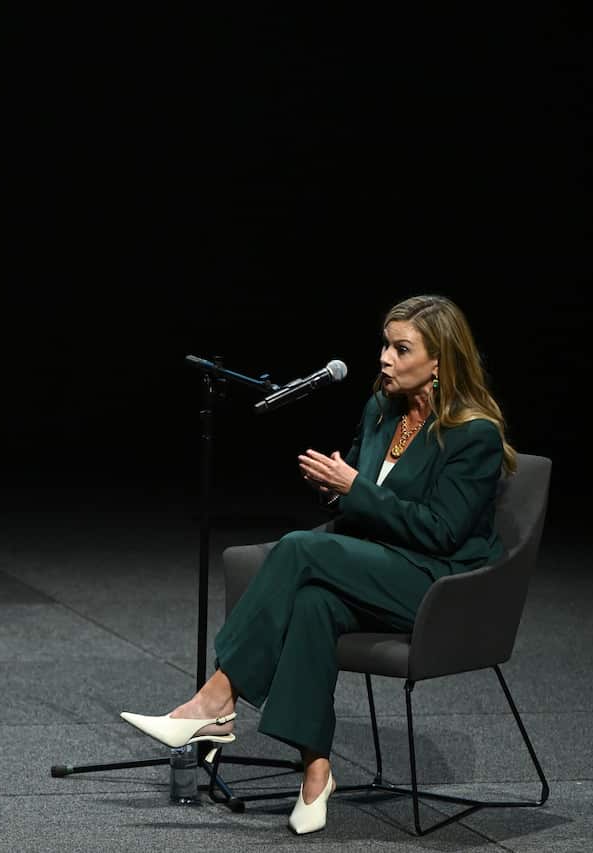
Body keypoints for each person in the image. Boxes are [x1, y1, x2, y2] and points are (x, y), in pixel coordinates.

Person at [120, 294, 515, 835]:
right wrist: (337, 488)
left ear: (441, 361)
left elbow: (442, 533)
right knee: (314, 602)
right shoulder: (381, 408)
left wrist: (355, 490)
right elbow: (363, 497)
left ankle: (216, 700)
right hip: (380, 563)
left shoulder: (474, 435)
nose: (384, 359)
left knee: (301, 548)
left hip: (436, 584)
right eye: (385, 345)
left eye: (401, 349)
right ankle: (317, 769)